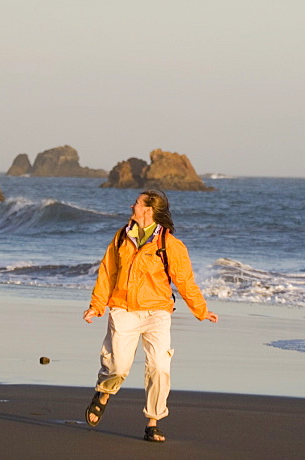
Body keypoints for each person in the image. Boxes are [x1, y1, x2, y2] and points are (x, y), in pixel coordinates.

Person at [83, 190, 218, 443]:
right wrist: (97, 306)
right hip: (123, 309)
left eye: (137, 202)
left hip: (157, 312)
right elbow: (107, 272)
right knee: (118, 367)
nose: (132, 205)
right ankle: (103, 393)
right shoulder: (122, 237)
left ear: (148, 210)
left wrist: (201, 310)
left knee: (159, 366)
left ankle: (153, 422)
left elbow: (185, 281)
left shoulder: (170, 245)